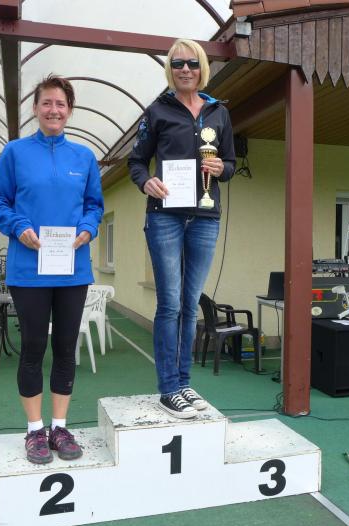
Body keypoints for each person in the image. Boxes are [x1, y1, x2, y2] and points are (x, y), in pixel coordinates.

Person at [0, 75, 104, 464]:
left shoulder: (83, 157)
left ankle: (60, 427)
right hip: (28, 269)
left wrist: (88, 228)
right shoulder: (15, 153)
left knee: (66, 348)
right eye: (47, 103)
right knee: (33, 347)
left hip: (73, 269)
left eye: (61, 103)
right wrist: (18, 226)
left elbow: (94, 205)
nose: (54, 110)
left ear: (70, 110)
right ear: (35, 109)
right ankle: (35, 430)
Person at [128, 38, 235, 419]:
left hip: (205, 217)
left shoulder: (219, 112)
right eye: (177, 64)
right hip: (165, 217)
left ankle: (185, 383)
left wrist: (222, 168)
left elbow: (231, 162)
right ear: (170, 70)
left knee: (191, 305)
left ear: (202, 67)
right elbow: (136, 162)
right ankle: (168, 388)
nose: (185, 69)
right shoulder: (157, 110)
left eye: (191, 63)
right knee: (170, 303)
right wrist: (146, 182)